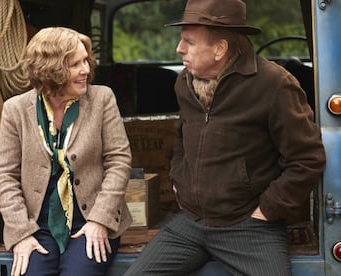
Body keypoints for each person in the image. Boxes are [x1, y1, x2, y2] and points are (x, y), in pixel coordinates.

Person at [124, 0, 326, 275]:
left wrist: (268, 209)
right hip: (191, 223)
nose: (179, 49)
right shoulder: (184, 82)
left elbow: (307, 159)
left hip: (248, 225)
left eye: (189, 42)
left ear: (220, 48)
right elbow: (182, 135)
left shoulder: (274, 84)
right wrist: (179, 180)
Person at [0, 27, 132, 276]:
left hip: (89, 219)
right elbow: (5, 175)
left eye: (86, 61)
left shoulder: (102, 99)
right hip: (37, 224)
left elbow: (119, 161)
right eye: (75, 64)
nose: (86, 70)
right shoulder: (15, 109)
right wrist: (21, 233)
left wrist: (99, 220)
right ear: (52, 70)